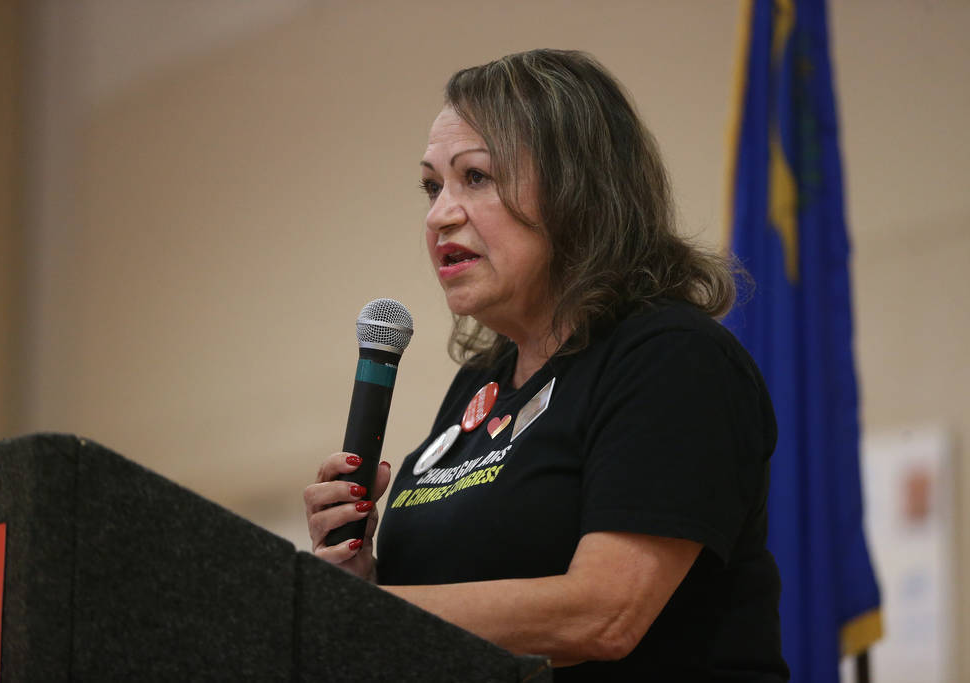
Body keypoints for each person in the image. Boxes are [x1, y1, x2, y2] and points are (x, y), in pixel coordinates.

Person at [304, 49, 789, 681]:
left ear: (576, 190)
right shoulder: (477, 385)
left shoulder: (672, 358)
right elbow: (456, 609)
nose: (439, 214)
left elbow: (603, 615)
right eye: (432, 185)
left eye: (475, 177)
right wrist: (358, 582)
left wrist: (352, 618)